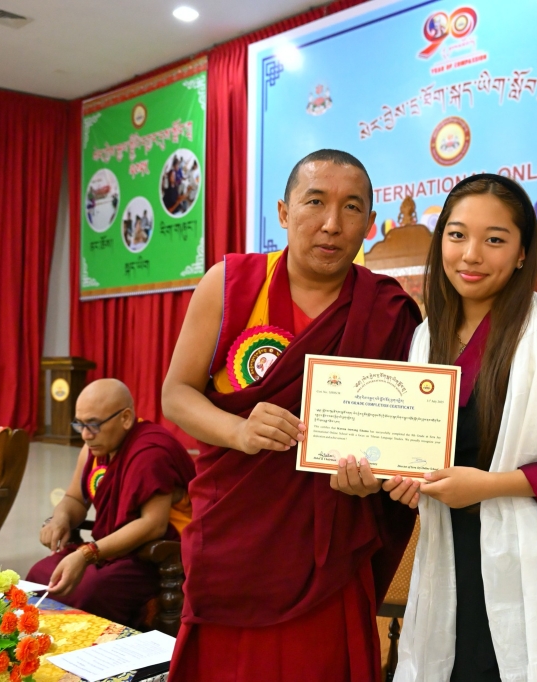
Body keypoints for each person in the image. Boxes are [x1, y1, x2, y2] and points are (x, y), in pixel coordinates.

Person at [162, 149, 422, 681]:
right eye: (315, 202)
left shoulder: (387, 310)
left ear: (370, 223)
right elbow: (176, 394)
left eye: (352, 208)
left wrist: (372, 479)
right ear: (284, 212)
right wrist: (238, 430)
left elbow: (398, 434)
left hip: (332, 542)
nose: (332, 224)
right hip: (238, 534)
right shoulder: (232, 285)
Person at [386, 175, 537, 681]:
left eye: (494, 239)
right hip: (450, 556)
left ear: (521, 253)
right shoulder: (423, 339)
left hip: (536, 555)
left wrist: (491, 486)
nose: (471, 254)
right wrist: (401, 477)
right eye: (457, 235)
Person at [26, 378, 195, 627]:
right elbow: (75, 498)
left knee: (89, 592)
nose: (86, 435)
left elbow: (153, 525)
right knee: (39, 575)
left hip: (153, 559)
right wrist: (60, 518)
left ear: (125, 418)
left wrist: (86, 554)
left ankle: (94, 647)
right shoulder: (93, 448)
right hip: (112, 551)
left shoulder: (151, 452)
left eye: (93, 425)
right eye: (80, 424)